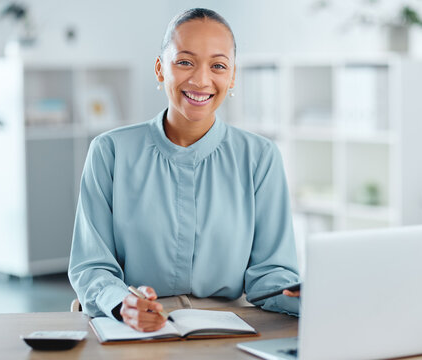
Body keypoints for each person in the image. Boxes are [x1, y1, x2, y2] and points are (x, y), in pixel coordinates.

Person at [68, 8, 300, 333]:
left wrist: (301, 295)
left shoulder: (260, 157)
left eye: (218, 66)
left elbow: (271, 276)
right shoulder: (110, 152)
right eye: (185, 62)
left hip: (228, 332)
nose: (201, 80)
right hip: (135, 330)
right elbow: (92, 266)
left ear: (232, 77)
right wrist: (122, 305)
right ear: (161, 69)